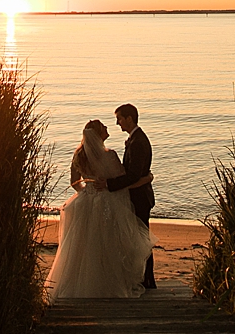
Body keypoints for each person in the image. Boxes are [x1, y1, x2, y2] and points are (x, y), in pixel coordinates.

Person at [43, 118, 154, 301]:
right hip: (106, 203)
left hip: (86, 201)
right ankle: (107, 282)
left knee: (84, 245)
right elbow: (123, 180)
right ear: (98, 134)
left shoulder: (78, 155)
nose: (108, 128)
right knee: (108, 243)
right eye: (104, 127)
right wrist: (147, 178)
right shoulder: (110, 155)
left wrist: (88, 192)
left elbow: (74, 182)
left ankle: (81, 284)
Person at [96, 103, 157, 289]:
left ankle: (147, 279)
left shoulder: (138, 142)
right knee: (137, 238)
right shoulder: (135, 139)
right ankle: (144, 278)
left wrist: (108, 184)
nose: (118, 123)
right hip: (137, 195)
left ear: (129, 119)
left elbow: (133, 175)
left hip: (139, 198)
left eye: (120, 119)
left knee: (141, 238)